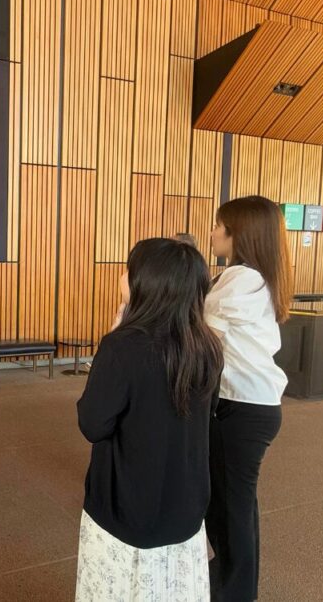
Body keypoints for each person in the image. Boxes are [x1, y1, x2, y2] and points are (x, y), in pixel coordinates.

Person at [76, 238, 223, 601]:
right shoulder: (208, 346)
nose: (122, 277)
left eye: (128, 270)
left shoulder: (122, 347)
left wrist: (114, 331)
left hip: (125, 510)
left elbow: (93, 424)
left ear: (146, 282)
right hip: (186, 508)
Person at [204, 196, 293, 601]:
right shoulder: (260, 276)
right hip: (255, 407)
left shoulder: (238, 278)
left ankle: (234, 591)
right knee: (237, 503)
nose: (212, 232)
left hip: (239, 409)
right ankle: (235, 580)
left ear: (237, 233)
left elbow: (205, 339)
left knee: (229, 506)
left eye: (218, 226)